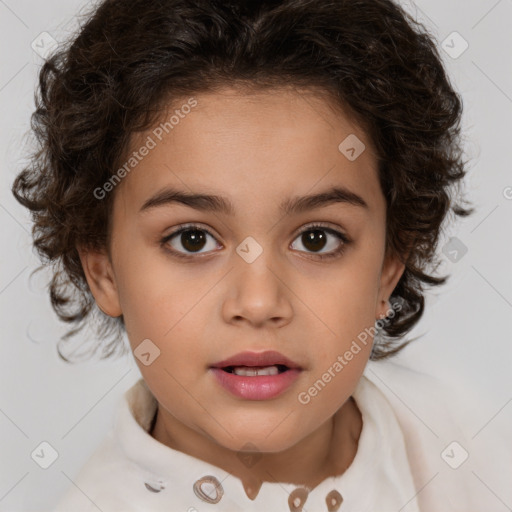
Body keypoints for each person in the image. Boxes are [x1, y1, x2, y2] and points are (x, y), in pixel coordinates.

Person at [12, 0, 504, 510]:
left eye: (317, 238)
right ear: (103, 271)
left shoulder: (472, 452)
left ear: (388, 265)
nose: (258, 301)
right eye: (192, 239)